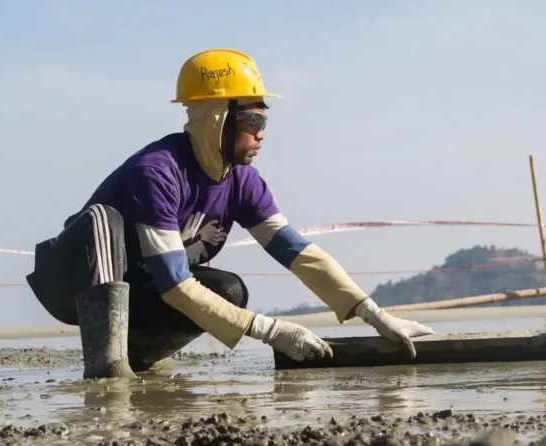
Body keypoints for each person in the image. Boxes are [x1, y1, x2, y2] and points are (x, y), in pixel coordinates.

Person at [25, 48, 435, 379]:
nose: (261, 133)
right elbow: (174, 285)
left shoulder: (242, 180)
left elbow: (297, 252)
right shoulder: (158, 172)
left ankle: (137, 358)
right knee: (104, 219)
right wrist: (271, 331)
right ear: (218, 118)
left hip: (145, 286)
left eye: (264, 120)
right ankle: (107, 365)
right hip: (74, 281)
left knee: (229, 291)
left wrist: (375, 315)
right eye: (252, 119)